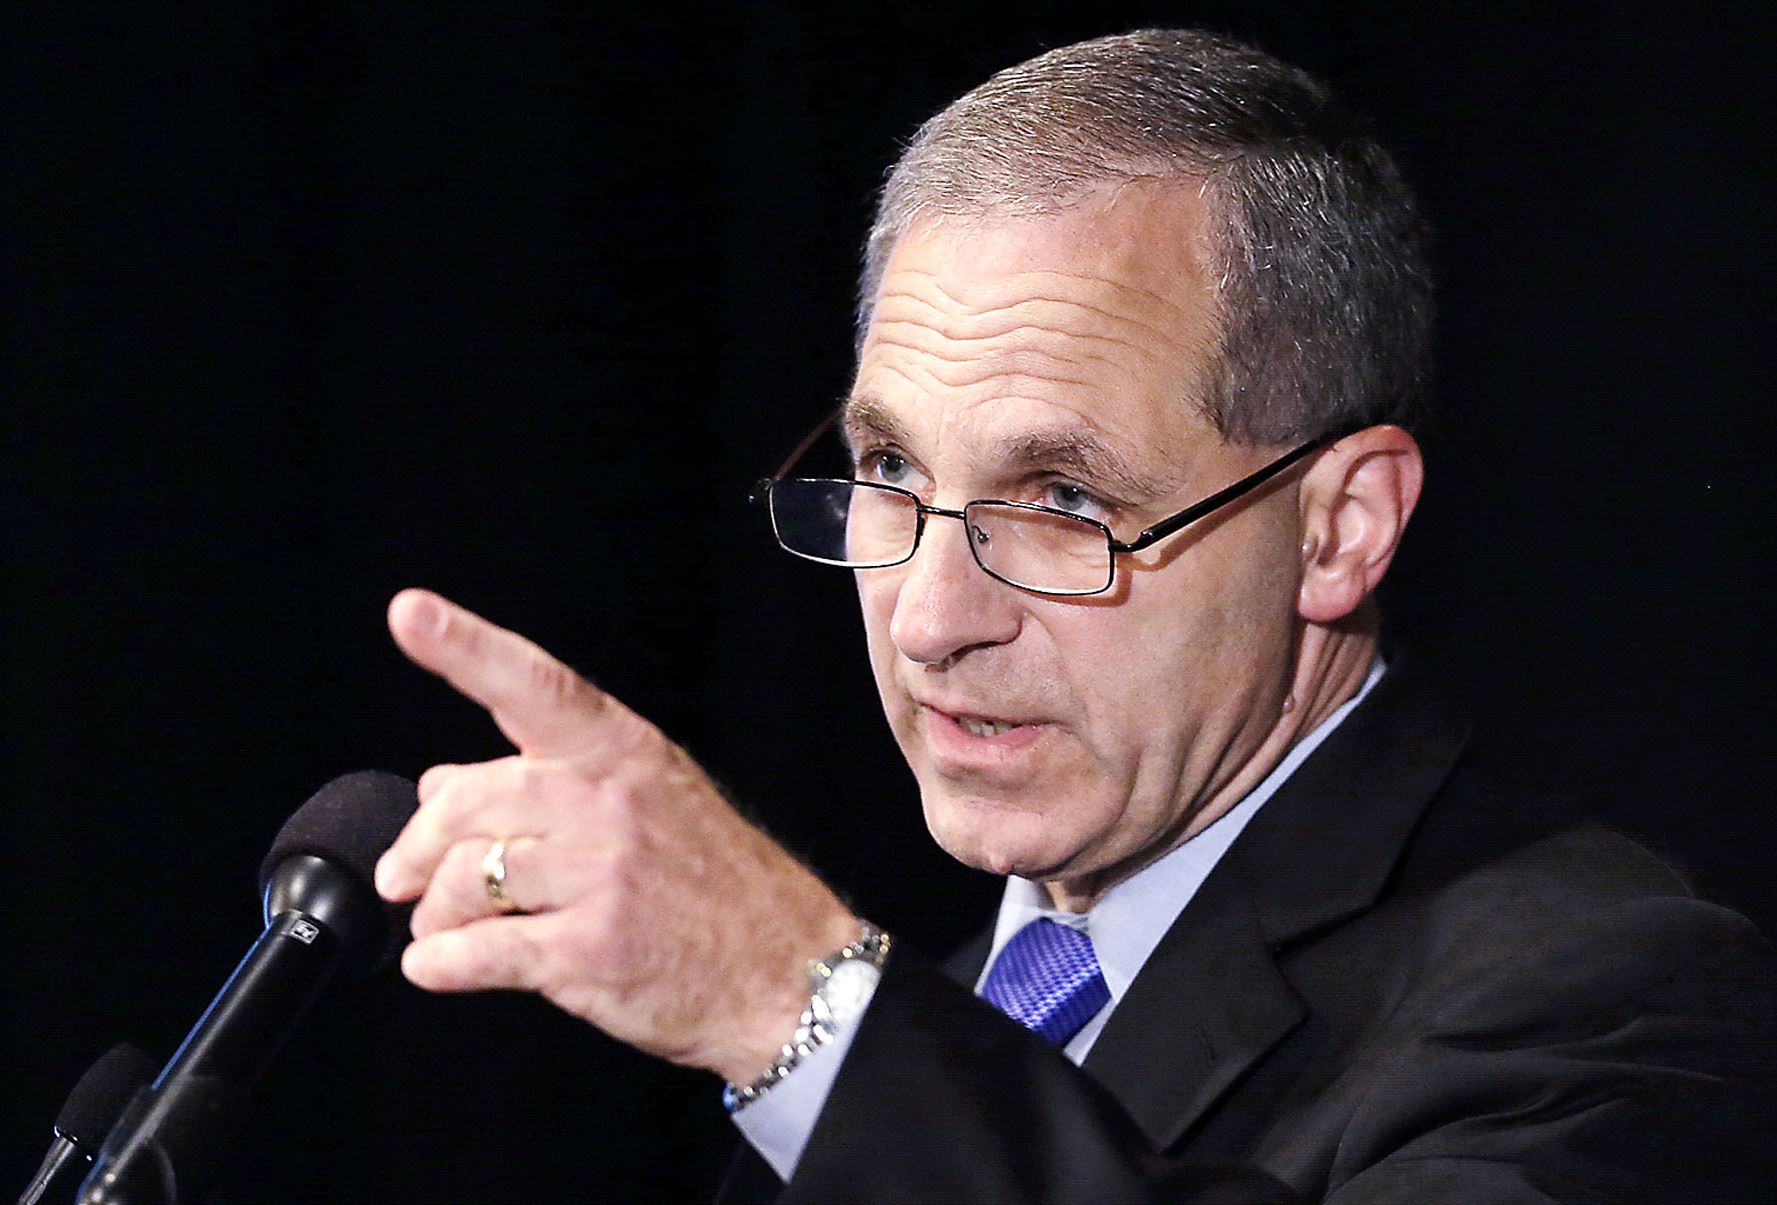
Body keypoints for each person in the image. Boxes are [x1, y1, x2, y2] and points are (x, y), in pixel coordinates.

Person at [372, 28, 1777, 1202]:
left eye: (1062, 499)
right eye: (889, 472)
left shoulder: (1607, 1003)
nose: (929, 620)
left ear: (1338, 526)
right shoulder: (928, 1029)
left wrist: (792, 1004)